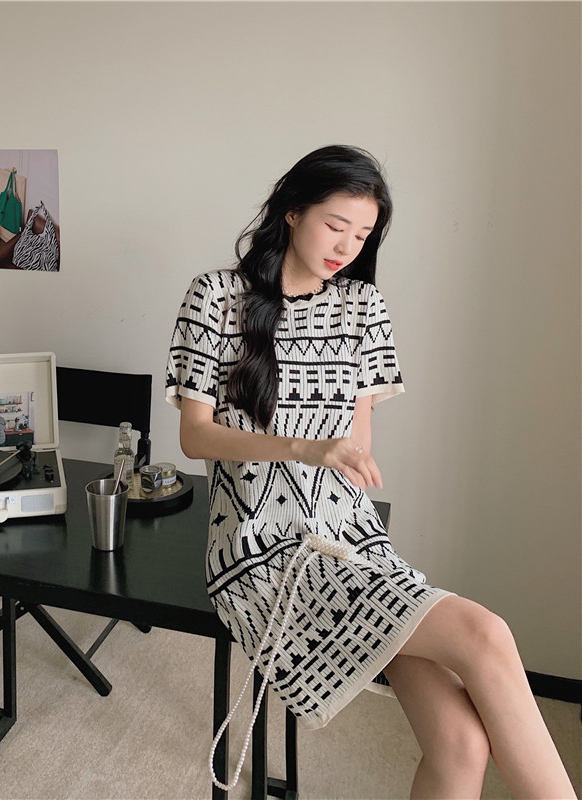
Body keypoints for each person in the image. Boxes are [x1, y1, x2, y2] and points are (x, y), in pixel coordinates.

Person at [165, 145, 575, 798]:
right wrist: (305, 449)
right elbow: (194, 437)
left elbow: (355, 447)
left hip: (353, 541)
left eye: (362, 235)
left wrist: (342, 459)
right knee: (486, 634)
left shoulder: (363, 306)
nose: (347, 247)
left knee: (461, 743)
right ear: (293, 211)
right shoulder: (215, 296)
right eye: (336, 226)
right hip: (261, 549)